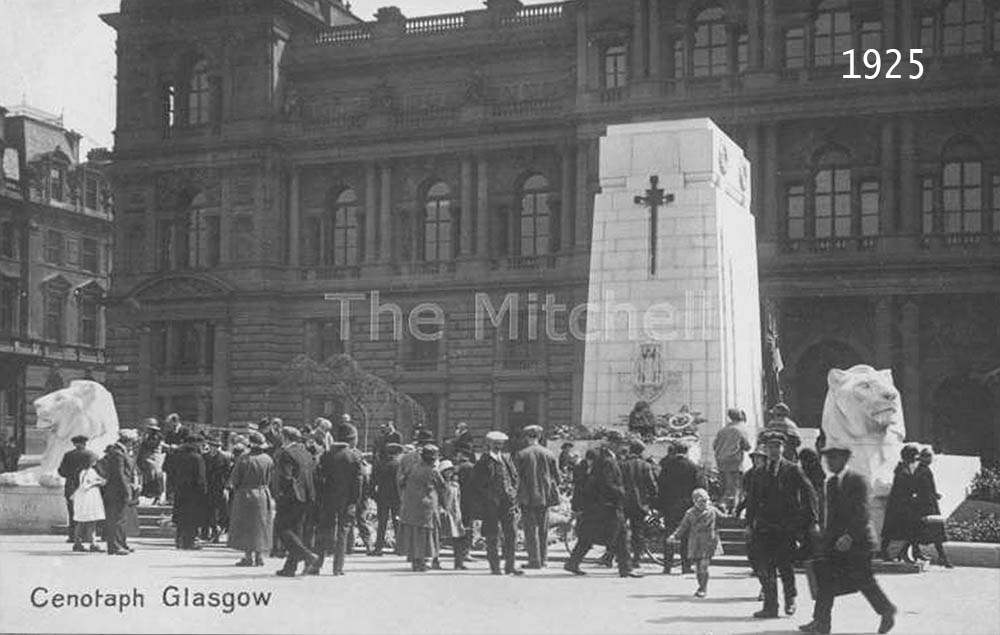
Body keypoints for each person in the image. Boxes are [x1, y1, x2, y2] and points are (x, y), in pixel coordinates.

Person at [799, 443, 897, 635]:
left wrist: (849, 536)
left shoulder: (857, 480)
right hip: (837, 543)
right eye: (827, 459)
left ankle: (886, 611)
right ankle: (820, 623)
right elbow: (833, 516)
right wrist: (826, 538)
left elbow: (861, 513)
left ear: (844, 459)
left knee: (864, 581)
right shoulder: (831, 483)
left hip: (860, 541)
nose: (829, 463)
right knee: (825, 580)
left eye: (833, 458)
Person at [747, 431, 818, 619]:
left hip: (786, 526)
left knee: (785, 565)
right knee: (766, 568)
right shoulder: (759, 472)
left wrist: (812, 521)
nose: (774, 450)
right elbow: (752, 499)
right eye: (770, 447)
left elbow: (809, 494)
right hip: (764, 526)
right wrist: (749, 523)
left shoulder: (793, 469)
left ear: (783, 448)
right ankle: (770, 606)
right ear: (765, 449)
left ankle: (790, 599)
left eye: (777, 447)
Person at [563, 438, 642, 578]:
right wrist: (621, 493)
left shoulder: (603, 458)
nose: (623, 447)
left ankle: (573, 563)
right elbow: (607, 484)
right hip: (608, 506)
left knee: (611, 536)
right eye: (620, 444)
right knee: (619, 536)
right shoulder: (608, 461)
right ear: (614, 444)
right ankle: (625, 568)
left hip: (600, 506)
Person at [313, 423, 364, 576]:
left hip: (327, 499)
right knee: (343, 532)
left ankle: (317, 564)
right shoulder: (354, 456)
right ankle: (338, 567)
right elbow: (358, 482)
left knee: (324, 530)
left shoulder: (326, 455)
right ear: (352, 439)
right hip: (347, 500)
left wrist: (321, 497)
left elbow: (319, 478)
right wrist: (355, 501)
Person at [471, 431, 522, 576]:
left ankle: (510, 566)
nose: (498, 446)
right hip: (491, 504)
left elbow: (514, 476)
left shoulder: (506, 458)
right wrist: (488, 496)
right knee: (492, 535)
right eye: (495, 444)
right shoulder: (484, 461)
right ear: (489, 444)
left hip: (508, 502)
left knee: (511, 533)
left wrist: (513, 491)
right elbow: (477, 483)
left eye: (500, 443)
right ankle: (495, 566)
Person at [272, 426, 319, 577]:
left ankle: (307, 556)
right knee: (296, 531)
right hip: (306, 497)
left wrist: (282, 495)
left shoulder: (286, 453)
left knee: (281, 528)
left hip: (291, 497)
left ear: (285, 437)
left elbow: (287, 477)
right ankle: (290, 568)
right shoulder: (305, 452)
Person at [514, 424, 560, 569]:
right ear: (539, 437)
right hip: (545, 497)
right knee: (543, 529)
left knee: (530, 530)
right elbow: (557, 478)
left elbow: (515, 478)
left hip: (527, 497)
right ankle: (544, 559)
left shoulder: (522, 454)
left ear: (526, 437)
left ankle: (534, 560)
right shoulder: (549, 454)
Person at [655, 442, 704, 575]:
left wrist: (659, 506)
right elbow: (700, 487)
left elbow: (660, 487)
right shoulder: (693, 467)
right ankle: (686, 565)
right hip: (687, 505)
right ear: (687, 451)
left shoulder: (667, 466)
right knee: (686, 536)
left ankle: (667, 565)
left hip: (669, 505)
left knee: (669, 534)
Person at [398, 444, 448, 572]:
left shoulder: (412, 468)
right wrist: (445, 506)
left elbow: (401, 481)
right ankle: (423, 561)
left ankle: (415, 561)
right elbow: (442, 488)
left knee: (415, 534)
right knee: (426, 535)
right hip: (427, 506)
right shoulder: (433, 471)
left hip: (411, 505)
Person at [228, 432, 274, 567]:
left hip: (246, 494)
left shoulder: (244, 458)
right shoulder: (268, 459)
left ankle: (248, 557)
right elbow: (270, 478)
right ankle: (259, 557)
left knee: (247, 526)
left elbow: (235, 479)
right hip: (263, 492)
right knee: (262, 525)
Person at [668, 488, 721, 597]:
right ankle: (700, 586)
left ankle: (703, 588)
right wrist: (674, 536)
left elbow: (725, 519)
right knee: (698, 567)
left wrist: (737, 516)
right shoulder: (689, 513)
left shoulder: (713, 511)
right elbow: (683, 527)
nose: (703, 504)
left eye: (705, 501)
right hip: (695, 543)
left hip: (709, 542)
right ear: (694, 502)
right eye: (700, 501)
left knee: (703, 566)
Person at [879, 443, 922, 562]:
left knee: (895, 531)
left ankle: (899, 553)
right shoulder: (903, 471)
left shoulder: (904, 468)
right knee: (897, 530)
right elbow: (906, 488)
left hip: (900, 504)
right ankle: (896, 553)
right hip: (899, 505)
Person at [98, 433, 138, 555]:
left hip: (118, 490)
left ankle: (121, 543)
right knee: (116, 519)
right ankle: (114, 546)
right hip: (117, 491)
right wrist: (127, 491)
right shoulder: (117, 453)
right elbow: (119, 474)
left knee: (121, 519)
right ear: (128, 441)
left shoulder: (119, 452)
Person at [621, 440, 657, 570]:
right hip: (640, 503)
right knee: (638, 532)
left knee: (620, 531)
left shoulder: (623, 464)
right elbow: (652, 485)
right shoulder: (645, 466)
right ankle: (636, 559)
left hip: (624, 502)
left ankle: (611, 556)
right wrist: (653, 500)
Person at [913, 445, 952, 567]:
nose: (930, 459)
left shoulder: (923, 470)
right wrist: (932, 496)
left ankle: (920, 552)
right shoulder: (922, 471)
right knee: (933, 532)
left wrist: (935, 494)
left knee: (928, 532)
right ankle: (941, 557)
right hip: (927, 506)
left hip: (928, 504)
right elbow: (922, 490)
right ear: (923, 457)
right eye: (928, 456)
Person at [58, 435, 98, 545]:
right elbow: (97, 470)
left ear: (74, 444)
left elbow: (62, 471)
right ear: (85, 443)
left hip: (71, 487)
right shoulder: (91, 455)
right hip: (87, 487)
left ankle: (73, 536)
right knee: (88, 511)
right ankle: (87, 536)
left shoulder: (68, 455)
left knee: (73, 513)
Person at [170, 433, 208, 550]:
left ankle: (179, 540)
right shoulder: (197, 457)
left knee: (181, 516)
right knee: (192, 518)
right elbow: (201, 477)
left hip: (180, 490)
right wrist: (203, 491)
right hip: (193, 492)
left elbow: (169, 470)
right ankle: (189, 542)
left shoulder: (176, 455)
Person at [713, 408, 752, 512]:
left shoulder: (722, 430)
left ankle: (723, 505)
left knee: (724, 486)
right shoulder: (741, 429)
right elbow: (747, 447)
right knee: (734, 487)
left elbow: (714, 445)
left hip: (721, 461)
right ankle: (730, 508)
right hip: (734, 462)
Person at [69, 453, 106, 553]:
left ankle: (80, 542)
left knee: (84, 521)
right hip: (88, 497)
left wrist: (100, 480)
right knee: (89, 520)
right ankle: (90, 543)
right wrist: (98, 482)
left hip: (87, 496)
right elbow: (85, 485)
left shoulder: (89, 471)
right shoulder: (86, 472)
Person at [372, 442, 403, 556]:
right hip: (396, 498)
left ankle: (378, 548)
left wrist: (375, 496)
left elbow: (372, 482)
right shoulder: (399, 466)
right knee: (397, 522)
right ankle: (399, 548)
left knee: (382, 523)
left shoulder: (379, 465)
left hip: (382, 497)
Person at [201, 435, 232, 543]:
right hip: (207, 487)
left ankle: (216, 532)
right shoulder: (204, 457)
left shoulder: (224, 458)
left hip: (219, 487)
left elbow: (228, 474)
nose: (214, 448)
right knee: (206, 510)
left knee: (217, 511)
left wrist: (226, 487)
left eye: (216, 446)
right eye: (212, 446)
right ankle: (205, 533)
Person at [438, 460, 468, 569]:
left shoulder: (455, 485)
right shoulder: (439, 485)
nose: (449, 473)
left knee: (458, 539)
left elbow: (458, 500)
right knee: (439, 538)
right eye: (446, 471)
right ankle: (435, 560)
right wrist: (440, 509)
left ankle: (459, 562)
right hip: (444, 514)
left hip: (455, 514)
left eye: (450, 471)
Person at [136, 421, 166, 504]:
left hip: (152, 460)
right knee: (147, 476)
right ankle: (150, 493)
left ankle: (157, 495)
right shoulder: (148, 437)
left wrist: (143, 440)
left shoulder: (156, 437)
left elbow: (150, 445)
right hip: (146, 459)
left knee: (154, 476)